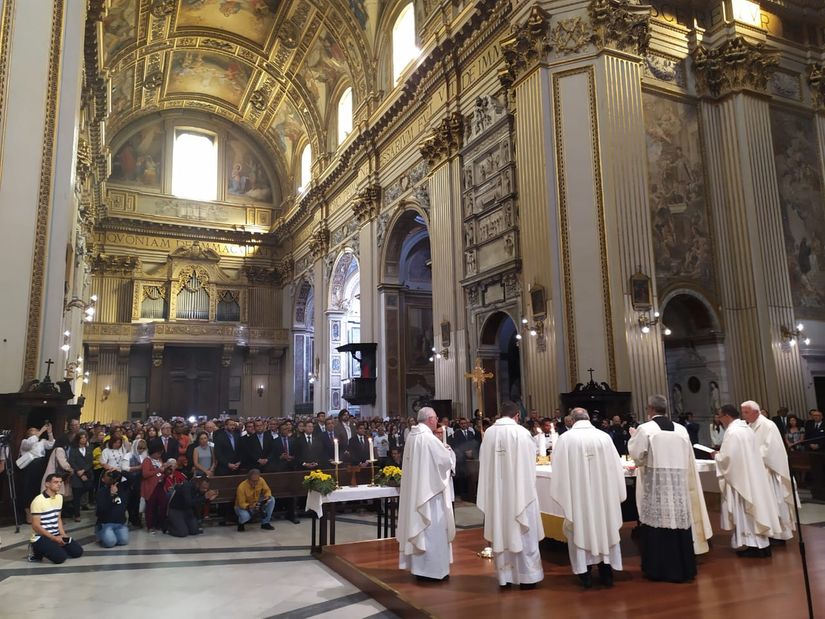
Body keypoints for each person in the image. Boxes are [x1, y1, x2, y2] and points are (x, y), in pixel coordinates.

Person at [628, 395, 712, 582]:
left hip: (657, 484)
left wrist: (634, 437)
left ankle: (659, 569)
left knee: (658, 524)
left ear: (650, 409)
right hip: (678, 484)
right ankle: (683, 568)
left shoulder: (645, 429)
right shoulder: (681, 429)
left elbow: (637, 455)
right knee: (678, 522)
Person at [549, 408, 626, 588]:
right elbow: (616, 468)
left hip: (578, 497)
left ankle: (585, 574)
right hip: (603, 497)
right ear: (589, 418)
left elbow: (558, 471)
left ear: (572, 420)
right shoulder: (604, 437)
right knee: (604, 527)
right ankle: (606, 571)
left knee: (581, 527)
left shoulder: (565, 440)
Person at [477, 401, 544, 589]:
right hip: (520, 494)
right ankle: (527, 577)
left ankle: (505, 577)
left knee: (502, 531)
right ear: (517, 416)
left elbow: (484, 461)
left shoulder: (489, 433)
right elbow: (531, 461)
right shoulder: (522, 433)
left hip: (498, 497)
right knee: (525, 534)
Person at [397, 407, 456, 582]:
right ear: (431, 419)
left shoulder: (412, 436)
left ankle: (419, 569)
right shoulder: (429, 439)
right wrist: (448, 451)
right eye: (436, 418)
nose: (437, 421)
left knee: (421, 529)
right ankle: (433, 571)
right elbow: (445, 462)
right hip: (430, 495)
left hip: (417, 492)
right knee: (433, 531)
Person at [715, 404, 781, 558]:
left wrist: (716, 456)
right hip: (752, 477)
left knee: (745, 510)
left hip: (741, 480)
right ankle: (762, 545)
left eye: (720, 416)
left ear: (726, 416)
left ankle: (754, 546)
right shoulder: (746, 429)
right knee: (755, 510)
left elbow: (728, 458)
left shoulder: (732, 432)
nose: (719, 420)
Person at [741, 400, 796, 543]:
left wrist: (749, 454)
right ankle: (769, 532)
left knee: (775, 503)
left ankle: (779, 534)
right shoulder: (751, 425)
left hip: (770, 472)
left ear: (756, 411)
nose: (743, 415)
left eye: (746, 412)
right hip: (759, 471)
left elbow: (771, 449)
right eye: (743, 412)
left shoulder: (768, 425)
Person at [28, 474, 84, 564]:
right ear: (47, 484)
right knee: (60, 558)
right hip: (41, 537)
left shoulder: (59, 497)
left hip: (56, 534)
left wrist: (63, 534)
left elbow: (58, 518)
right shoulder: (38, 500)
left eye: (60, 482)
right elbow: (35, 525)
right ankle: (37, 550)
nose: (59, 484)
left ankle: (54, 547)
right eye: (55, 482)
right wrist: (53, 538)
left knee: (77, 552)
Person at [17, 423, 54, 524]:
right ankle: (27, 513)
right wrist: (41, 431)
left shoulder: (42, 441)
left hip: (40, 466)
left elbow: (51, 445)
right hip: (30, 467)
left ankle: (37, 513)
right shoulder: (25, 441)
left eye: (36, 429)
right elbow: (30, 444)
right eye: (33, 430)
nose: (36, 431)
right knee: (28, 489)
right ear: (28, 433)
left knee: (37, 489)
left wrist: (49, 432)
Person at [142, 440, 171, 533]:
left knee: (163, 504)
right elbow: (145, 474)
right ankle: (150, 526)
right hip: (151, 487)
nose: (159, 455)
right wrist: (159, 470)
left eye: (160, 453)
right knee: (151, 507)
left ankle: (160, 523)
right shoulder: (147, 460)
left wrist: (166, 471)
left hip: (159, 485)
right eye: (158, 453)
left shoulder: (159, 460)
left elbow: (160, 473)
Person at [95, 469, 129, 548]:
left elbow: (132, 478)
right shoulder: (101, 492)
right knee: (110, 543)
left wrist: (119, 471)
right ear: (103, 479)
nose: (111, 475)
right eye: (108, 474)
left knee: (123, 541)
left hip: (120, 523)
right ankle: (99, 533)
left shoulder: (122, 487)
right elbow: (100, 510)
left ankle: (110, 534)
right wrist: (112, 495)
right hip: (106, 523)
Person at [67, 431, 95, 521]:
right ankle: (77, 514)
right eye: (81, 437)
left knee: (89, 487)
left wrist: (83, 471)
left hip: (87, 473)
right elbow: (72, 461)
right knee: (77, 495)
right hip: (76, 474)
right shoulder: (73, 449)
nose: (83, 439)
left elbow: (90, 462)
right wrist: (78, 471)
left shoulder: (89, 449)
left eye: (85, 437)